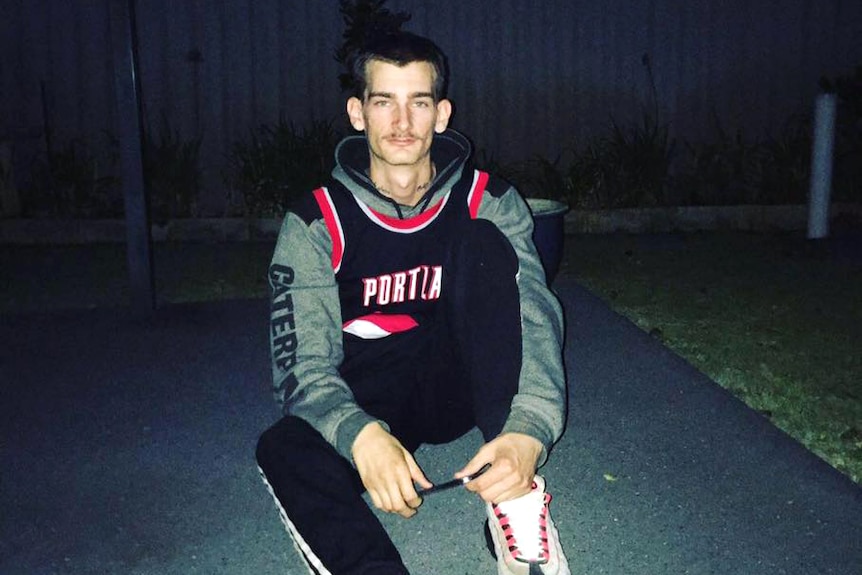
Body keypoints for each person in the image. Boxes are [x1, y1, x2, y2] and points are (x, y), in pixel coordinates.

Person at [256, 31, 571, 575]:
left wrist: (529, 431)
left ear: (441, 114)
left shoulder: (489, 201)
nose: (402, 122)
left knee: (481, 244)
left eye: (418, 102)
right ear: (357, 113)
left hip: (465, 383)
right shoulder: (315, 222)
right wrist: (360, 435)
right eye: (384, 102)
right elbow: (300, 366)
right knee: (284, 448)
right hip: (376, 399)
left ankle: (513, 503)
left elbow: (535, 317)